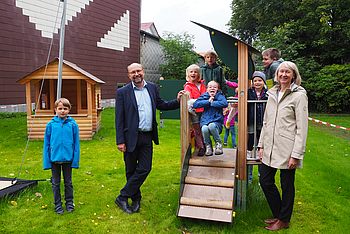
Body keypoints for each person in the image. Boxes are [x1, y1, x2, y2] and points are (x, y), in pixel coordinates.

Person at [115, 63, 185, 214]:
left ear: (143, 71)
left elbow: (161, 104)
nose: (136, 74)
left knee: (145, 168)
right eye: (132, 72)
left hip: (147, 136)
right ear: (129, 75)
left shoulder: (152, 87)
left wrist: (177, 101)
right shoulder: (123, 92)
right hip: (130, 137)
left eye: (138, 71)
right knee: (131, 170)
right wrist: (120, 140)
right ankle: (136, 199)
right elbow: (118, 118)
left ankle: (122, 196)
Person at [258, 61, 308, 231]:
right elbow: (266, 122)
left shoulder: (299, 95)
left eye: (288, 72)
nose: (284, 75)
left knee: (287, 185)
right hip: (269, 146)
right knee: (265, 180)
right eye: (281, 72)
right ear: (277, 75)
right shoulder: (272, 93)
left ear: (294, 75)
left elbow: (302, 128)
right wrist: (260, 145)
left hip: (288, 148)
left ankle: (283, 220)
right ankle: (280, 215)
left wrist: (296, 154)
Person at [43, 98, 80, 214]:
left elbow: (76, 144)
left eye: (65, 108)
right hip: (54, 159)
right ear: (55, 110)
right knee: (55, 183)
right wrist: (47, 161)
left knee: (68, 182)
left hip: (68, 159)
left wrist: (75, 161)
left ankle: (69, 203)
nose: (62, 111)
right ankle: (57, 205)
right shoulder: (50, 125)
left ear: (69, 110)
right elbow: (46, 144)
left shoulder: (73, 125)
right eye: (60, 108)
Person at [193, 81, 228, 156]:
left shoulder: (219, 96)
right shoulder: (204, 96)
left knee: (211, 126)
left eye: (214, 87)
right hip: (205, 121)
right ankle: (208, 146)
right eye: (210, 87)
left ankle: (218, 144)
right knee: (204, 128)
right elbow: (196, 104)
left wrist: (212, 103)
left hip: (216, 122)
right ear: (207, 89)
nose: (212, 88)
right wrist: (208, 101)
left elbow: (224, 103)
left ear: (218, 89)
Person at [246, 71, 268, 182]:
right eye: (255, 80)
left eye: (260, 80)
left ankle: (260, 151)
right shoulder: (249, 92)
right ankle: (249, 151)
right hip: (251, 119)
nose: (257, 82)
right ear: (252, 82)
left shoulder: (267, 93)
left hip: (262, 120)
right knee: (250, 137)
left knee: (260, 138)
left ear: (263, 82)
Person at [184, 64, 206, 156]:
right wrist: (201, 101)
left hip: (204, 111)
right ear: (188, 74)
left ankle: (206, 144)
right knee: (197, 130)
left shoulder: (202, 85)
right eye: (191, 72)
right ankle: (201, 147)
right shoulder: (188, 86)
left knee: (204, 128)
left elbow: (206, 95)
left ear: (199, 74)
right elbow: (190, 100)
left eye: (195, 72)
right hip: (195, 111)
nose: (193, 73)